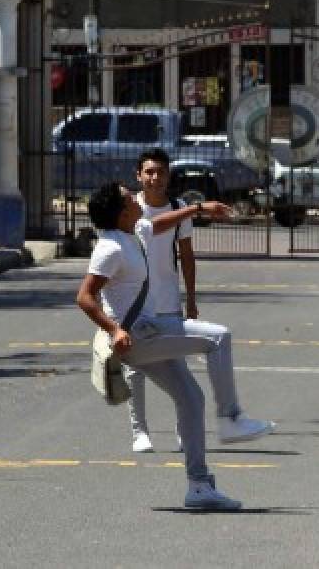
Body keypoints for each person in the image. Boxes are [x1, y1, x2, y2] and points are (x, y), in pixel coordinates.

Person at [75, 182, 275, 510]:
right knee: (218, 337)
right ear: (121, 210)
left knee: (191, 399)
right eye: (128, 195)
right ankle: (231, 417)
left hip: (149, 332)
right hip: (138, 336)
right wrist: (113, 329)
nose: (135, 195)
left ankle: (198, 486)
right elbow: (84, 296)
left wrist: (199, 209)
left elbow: (159, 224)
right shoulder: (110, 247)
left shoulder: (135, 229)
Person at [122, 148, 197, 453]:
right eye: (149, 172)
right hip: (134, 304)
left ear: (169, 176)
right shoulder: (129, 210)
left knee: (177, 367)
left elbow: (187, 257)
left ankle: (184, 431)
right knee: (134, 369)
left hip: (167, 301)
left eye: (161, 172)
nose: (155, 178)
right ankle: (140, 432)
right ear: (138, 175)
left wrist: (191, 298)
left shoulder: (179, 209)